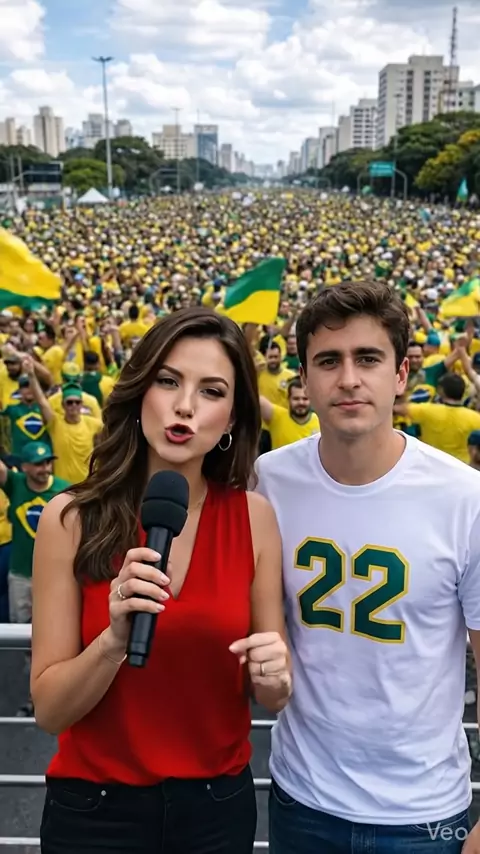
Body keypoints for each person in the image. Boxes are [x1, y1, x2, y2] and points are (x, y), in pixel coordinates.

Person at [31, 306, 291, 854]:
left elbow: (269, 689)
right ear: (139, 391)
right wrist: (112, 642)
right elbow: (50, 711)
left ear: (233, 419)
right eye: (169, 381)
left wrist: (275, 675)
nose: (185, 405)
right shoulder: (68, 519)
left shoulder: (256, 519)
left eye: (211, 391)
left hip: (216, 810)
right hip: (94, 813)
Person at [255, 280, 480, 854]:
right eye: (328, 361)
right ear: (304, 379)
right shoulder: (269, 481)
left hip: (423, 810)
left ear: (401, 375)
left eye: (368, 359)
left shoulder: (466, 498)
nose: (349, 378)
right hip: (302, 796)